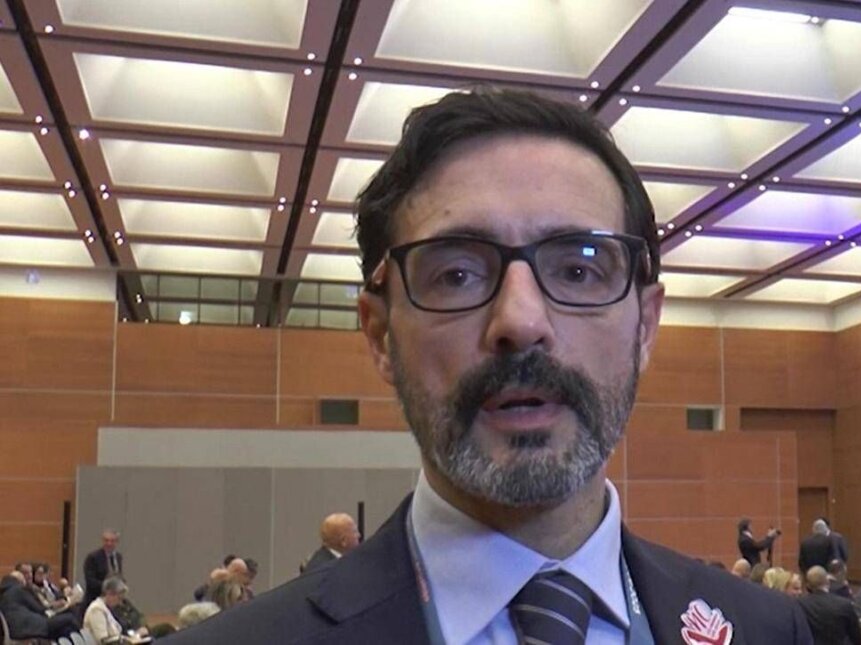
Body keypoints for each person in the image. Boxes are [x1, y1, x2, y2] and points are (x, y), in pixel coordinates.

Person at [166, 86, 814, 644]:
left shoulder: (770, 630)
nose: (521, 321)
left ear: (645, 324)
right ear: (380, 334)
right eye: (456, 273)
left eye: (579, 268)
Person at [0, 570, 80, 640]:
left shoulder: (4, 592)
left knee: (66, 629)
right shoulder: (18, 590)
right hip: (31, 627)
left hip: (16, 630)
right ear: (21, 581)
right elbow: (39, 609)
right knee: (70, 618)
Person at [796, 566, 861, 645]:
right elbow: (856, 637)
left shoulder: (799, 604)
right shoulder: (845, 605)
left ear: (807, 585)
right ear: (827, 582)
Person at [83, 576, 141, 643]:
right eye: (119, 598)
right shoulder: (96, 610)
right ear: (110, 594)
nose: (120, 602)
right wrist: (125, 639)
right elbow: (103, 640)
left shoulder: (106, 608)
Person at [83, 528, 123, 606]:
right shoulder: (93, 557)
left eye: (112, 541)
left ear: (117, 542)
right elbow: (90, 581)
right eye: (106, 540)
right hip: (95, 600)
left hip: (113, 602)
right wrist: (108, 588)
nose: (109, 544)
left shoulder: (118, 557)